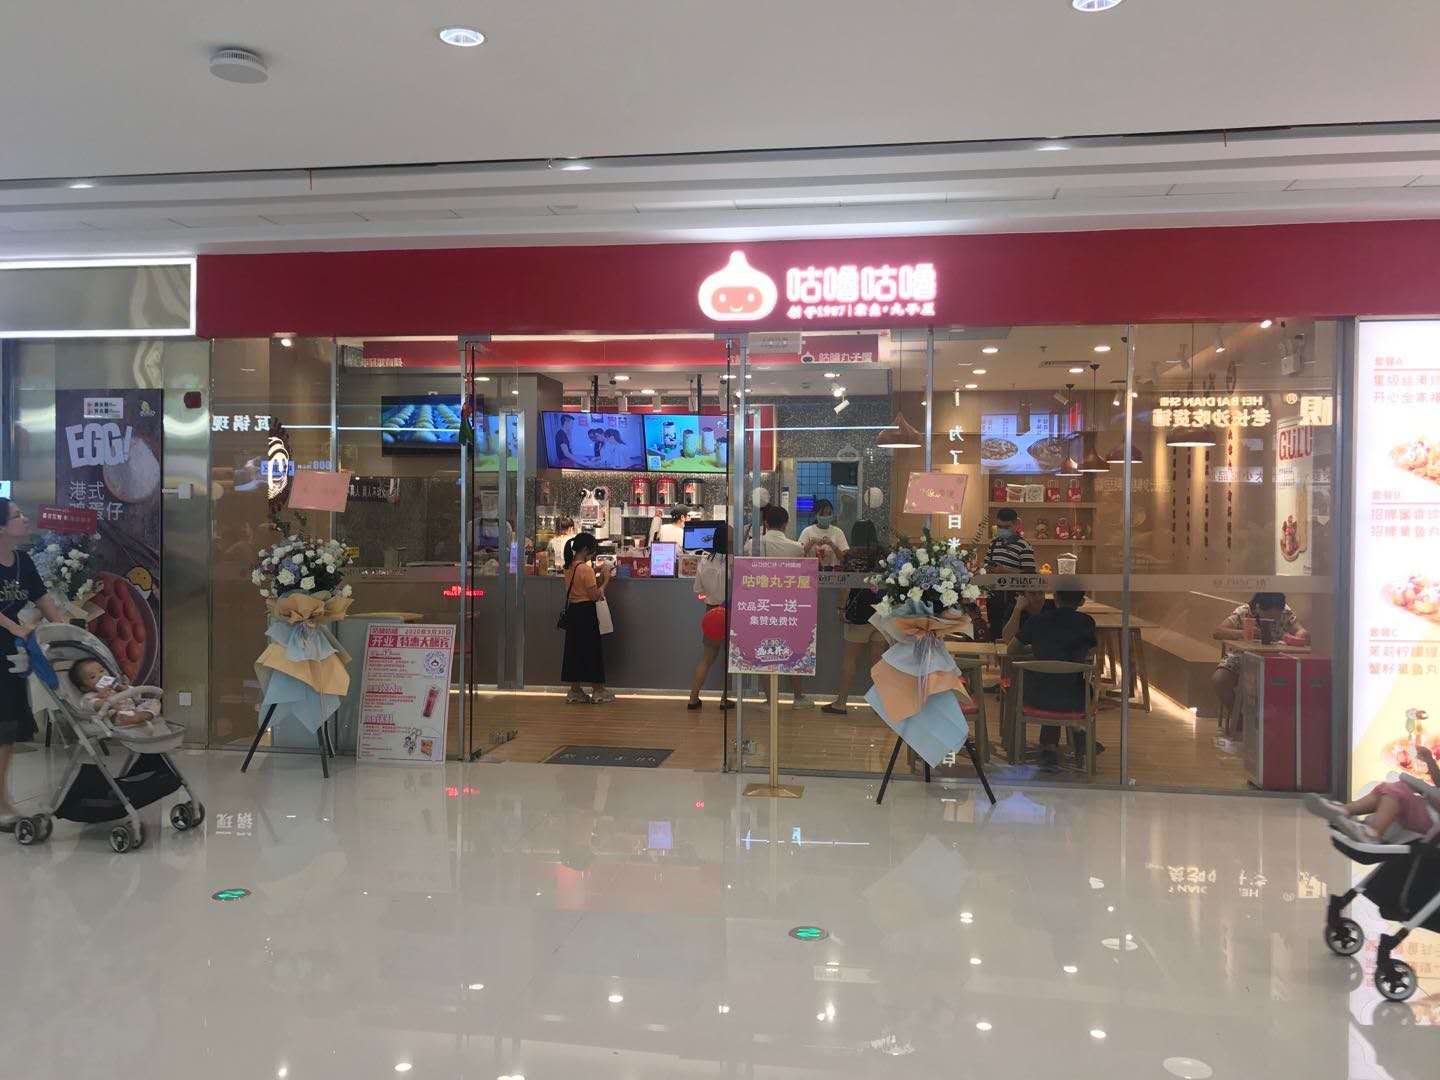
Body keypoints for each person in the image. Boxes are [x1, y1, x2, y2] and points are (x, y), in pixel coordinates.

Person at [0, 498, 65, 831]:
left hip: (13, 655)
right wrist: (14, 627)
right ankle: (1, 802)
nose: (25, 519)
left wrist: (67, 634)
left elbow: (43, 600)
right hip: (8, 644)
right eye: (17, 516)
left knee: (8, 730)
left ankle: (2, 799)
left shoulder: (23, 562)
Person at [1008, 586, 1097, 771]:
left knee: (1049, 681)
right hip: (1075, 700)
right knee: (1067, 684)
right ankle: (1078, 734)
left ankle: (1050, 747)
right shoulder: (1087, 622)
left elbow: (1012, 649)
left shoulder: (1037, 621)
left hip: (1036, 697)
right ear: (1082, 602)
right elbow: (1091, 651)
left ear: (1055, 597)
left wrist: (1037, 649)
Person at [744, 505, 812, 706]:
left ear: (765, 523)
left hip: (761, 606)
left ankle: (770, 699)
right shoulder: (796, 548)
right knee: (793, 650)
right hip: (788, 607)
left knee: (764, 652)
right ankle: (798, 697)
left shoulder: (752, 545)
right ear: (786, 524)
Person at [1306, 745, 1440, 842]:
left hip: (1434, 821)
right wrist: (1429, 760)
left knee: (1398, 791)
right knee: (1387, 788)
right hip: (1429, 808)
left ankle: (1373, 834)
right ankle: (1343, 810)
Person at [1211, 592, 1309, 713]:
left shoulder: (1285, 612)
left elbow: (1301, 631)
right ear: (1258, 607)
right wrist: (1244, 633)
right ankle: (1240, 718)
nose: (1273, 620)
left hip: (1275, 659)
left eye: (1276, 617)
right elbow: (1218, 632)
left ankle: (1274, 718)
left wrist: (1299, 637)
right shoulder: (1244, 612)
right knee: (1220, 680)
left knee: (1291, 681)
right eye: (1269, 616)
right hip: (1242, 656)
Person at [823, 546, 886, 715]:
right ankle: (880, 706)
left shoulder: (852, 560)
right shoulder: (883, 560)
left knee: (849, 660)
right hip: (881, 615)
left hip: (859, 617)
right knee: (878, 663)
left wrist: (841, 609)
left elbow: (846, 587)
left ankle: (841, 703)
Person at [561, 532, 614, 705]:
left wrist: (596, 570)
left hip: (574, 612)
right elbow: (595, 595)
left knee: (574, 652)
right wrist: (606, 581)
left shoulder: (568, 566)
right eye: (592, 550)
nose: (592, 553)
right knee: (592, 651)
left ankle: (575, 690)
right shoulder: (586, 569)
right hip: (586, 613)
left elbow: (580, 578)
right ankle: (598, 691)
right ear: (585, 549)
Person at [687, 525, 732, 710]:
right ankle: (724, 698)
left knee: (706, 658)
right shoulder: (734, 562)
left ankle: (693, 698)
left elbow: (698, 590)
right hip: (731, 612)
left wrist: (709, 598)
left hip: (711, 612)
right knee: (730, 660)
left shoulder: (704, 561)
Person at [984, 508, 1035, 643]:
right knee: (995, 636)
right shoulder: (994, 544)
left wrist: (1005, 571)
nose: (1002, 530)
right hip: (994, 598)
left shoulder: (1024, 546)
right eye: (999, 527)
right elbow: (986, 566)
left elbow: (1030, 576)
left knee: (1011, 639)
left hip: (1014, 601)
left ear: (1016, 524)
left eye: (1006, 527)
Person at [70, 658, 160, 728]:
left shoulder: (117, 687)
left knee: (154, 702)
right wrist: (101, 697)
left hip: (135, 710)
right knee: (113, 714)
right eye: (93, 677)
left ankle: (142, 716)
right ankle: (134, 718)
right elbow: (91, 705)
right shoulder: (89, 696)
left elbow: (137, 696)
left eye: (102, 671)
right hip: (118, 716)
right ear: (85, 687)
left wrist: (124, 688)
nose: (101, 676)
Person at [798, 499, 849, 568]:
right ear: (815, 515)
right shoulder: (807, 531)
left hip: (833, 572)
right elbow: (799, 554)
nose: (826, 516)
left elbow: (843, 558)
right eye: (822, 514)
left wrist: (832, 545)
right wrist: (812, 542)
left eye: (829, 514)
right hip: (810, 571)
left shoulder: (838, 532)